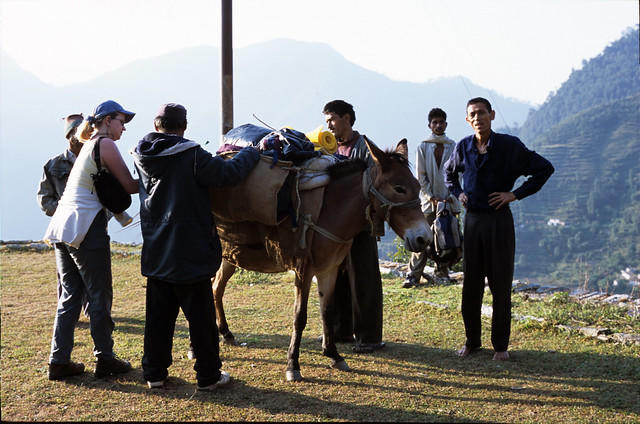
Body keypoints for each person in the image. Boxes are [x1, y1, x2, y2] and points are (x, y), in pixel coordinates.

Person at [132, 103, 260, 390]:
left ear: (157, 126)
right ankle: (208, 376)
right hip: (190, 249)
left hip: (156, 248)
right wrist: (252, 152)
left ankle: (154, 373)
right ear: (183, 127)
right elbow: (227, 175)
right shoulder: (190, 155)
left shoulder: (141, 155)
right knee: (201, 320)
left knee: (158, 318)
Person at [444, 97, 554, 361]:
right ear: (468, 120)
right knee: (470, 284)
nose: (478, 117)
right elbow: (449, 174)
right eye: (473, 114)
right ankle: (472, 342)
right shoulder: (464, 146)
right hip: (472, 222)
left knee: (500, 284)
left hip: (499, 221)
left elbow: (544, 169)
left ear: (492, 115)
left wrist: (514, 195)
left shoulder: (509, 146)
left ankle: (501, 347)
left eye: (482, 112)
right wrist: (458, 193)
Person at [43, 100, 139, 380]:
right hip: (86, 228)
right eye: (122, 121)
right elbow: (131, 186)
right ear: (107, 120)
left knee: (71, 296)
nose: (124, 128)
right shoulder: (105, 144)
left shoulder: (87, 145)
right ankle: (105, 359)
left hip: (62, 227)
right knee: (99, 295)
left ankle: (58, 362)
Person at [322, 99, 385, 353]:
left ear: (347, 118)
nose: (329, 126)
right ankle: (340, 331)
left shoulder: (366, 149)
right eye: (326, 121)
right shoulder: (329, 148)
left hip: (360, 226)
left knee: (364, 280)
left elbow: (377, 186)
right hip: (336, 230)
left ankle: (368, 337)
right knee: (336, 280)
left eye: (332, 120)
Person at [403, 108, 461, 288]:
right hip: (429, 203)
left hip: (449, 202)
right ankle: (413, 275)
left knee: (446, 238)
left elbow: (458, 174)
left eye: (441, 122)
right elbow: (421, 176)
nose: (438, 125)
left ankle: (442, 273)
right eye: (434, 122)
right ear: (429, 125)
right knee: (423, 238)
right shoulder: (423, 147)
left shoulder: (454, 146)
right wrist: (431, 196)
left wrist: (450, 196)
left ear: (446, 124)